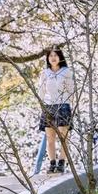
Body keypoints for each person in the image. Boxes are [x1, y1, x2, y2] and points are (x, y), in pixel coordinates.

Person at [38, 45, 73, 174]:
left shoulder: (66, 72)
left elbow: (71, 90)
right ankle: (52, 163)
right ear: (47, 58)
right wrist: (42, 106)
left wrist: (70, 103)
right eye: (50, 56)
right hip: (48, 106)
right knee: (50, 137)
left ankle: (62, 162)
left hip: (63, 105)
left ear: (60, 57)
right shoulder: (45, 73)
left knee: (63, 137)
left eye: (55, 55)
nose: (53, 58)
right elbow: (41, 91)